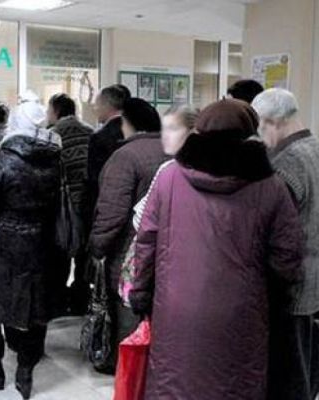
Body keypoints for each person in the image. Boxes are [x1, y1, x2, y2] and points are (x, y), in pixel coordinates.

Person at [129, 99, 304, 400]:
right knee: (235, 384)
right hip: (242, 312)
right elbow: (287, 255)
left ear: (199, 131)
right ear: (248, 132)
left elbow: (147, 241)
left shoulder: (169, 177)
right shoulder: (270, 186)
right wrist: (277, 297)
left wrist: (141, 293)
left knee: (174, 383)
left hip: (175, 308)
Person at [0, 100, 61, 400]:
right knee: (33, 307)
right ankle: (25, 371)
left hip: (5, 241)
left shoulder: (4, 160)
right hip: (43, 243)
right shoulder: (55, 160)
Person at [89, 98, 169, 373]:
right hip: (166, 250)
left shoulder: (125, 156)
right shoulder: (173, 151)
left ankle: (128, 373)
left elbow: (112, 212)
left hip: (129, 251)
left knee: (127, 314)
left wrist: (97, 247)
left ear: (128, 123)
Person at [252, 89, 319, 400]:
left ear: (272, 121)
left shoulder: (285, 165)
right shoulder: (315, 148)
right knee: (308, 367)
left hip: (293, 286)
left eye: (260, 127)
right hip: (313, 283)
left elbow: (277, 234)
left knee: (289, 375)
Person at [117, 104, 199, 305]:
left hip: (170, 265)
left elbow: (143, 222)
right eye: (164, 129)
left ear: (192, 131)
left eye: (173, 128)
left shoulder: (168, 171)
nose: (165, 136)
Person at [47, 93, 93, 315]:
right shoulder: (91, 132)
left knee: (60, 253)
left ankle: (57, 300)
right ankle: (80, 300)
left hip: (62, 205)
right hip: (87, 202)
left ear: (55, 111)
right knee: (84, 254)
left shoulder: (52, 135)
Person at [87, 85, 131, 216]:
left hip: (107, 202)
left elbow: (94, 179)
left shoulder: (99, 137)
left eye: (97, 104)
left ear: (107, 106)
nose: (95, 109)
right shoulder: (134, 130)